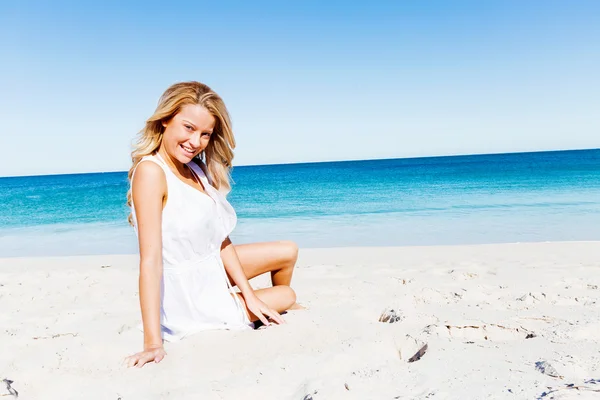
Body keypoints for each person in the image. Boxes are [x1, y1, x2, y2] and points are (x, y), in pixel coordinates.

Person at [124, 81, 299, 368]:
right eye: (188, 128)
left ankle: (253, 306)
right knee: (287, 295)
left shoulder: (195, 168)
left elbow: (221, 238)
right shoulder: (151, 172)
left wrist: (251, 295)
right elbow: (150, 260)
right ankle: (257, 308)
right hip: (188, 293)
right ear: (165, 120)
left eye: (205, 134)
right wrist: (152, 343)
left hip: (208, 265)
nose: (195, 142)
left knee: (288, 250)